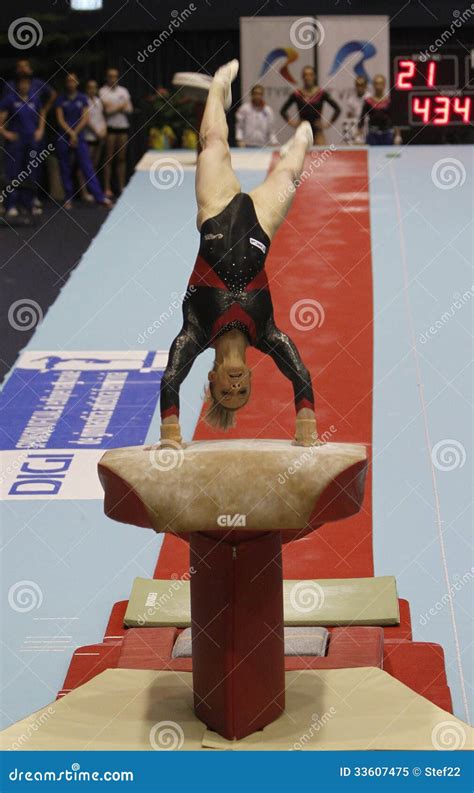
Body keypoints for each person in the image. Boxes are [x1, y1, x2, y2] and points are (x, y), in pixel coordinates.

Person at [158, 60, 320, 449]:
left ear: (211, 380)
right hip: (260, 224)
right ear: (249, 379)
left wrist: (170, 436)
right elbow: (300, 376)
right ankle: (302, 140)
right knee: (289, 173)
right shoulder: (265, 334)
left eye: (225, 393)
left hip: (214, 210)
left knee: (213, 141)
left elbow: (169, 380)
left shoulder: (195, 334)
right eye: (241, 393)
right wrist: (306, 427)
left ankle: (219, 87)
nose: (234, 388)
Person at [54, 73, 111, 210]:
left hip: (79, 136)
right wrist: (70, 133)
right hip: (65, 136)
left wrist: (75, 133)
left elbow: (85, 118)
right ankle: (68, 198)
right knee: (65, 168)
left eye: (73, 81)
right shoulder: (61, 99)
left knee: (87, 167)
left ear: (77, 83)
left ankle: (99, 197)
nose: (71, 84)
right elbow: (60, 119)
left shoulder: (82, 98)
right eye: (68, 81)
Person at [0, 75, 45, 218]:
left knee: (31, 172)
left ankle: (29, 205)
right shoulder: (10, 100)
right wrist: (5, 133)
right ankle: (11, 205)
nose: (24, 86)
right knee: (13, 173)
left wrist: (40, 130)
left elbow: (42, 114)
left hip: (31, 140)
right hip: (16, 142)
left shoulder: (34, 98)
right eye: (21, 83)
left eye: (26, 83)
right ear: (17, 85)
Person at [280, 66, 340, 146]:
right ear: (302, 77)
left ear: (314, 76)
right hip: (302, 130)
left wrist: (327, 124)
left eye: (310, 75)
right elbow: (283, 111)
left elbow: (337, 109)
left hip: (317, 130)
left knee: (320, 156)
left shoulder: (321, 93)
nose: (308, 77)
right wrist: (293, 123)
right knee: (301, 155)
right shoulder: (297, 94)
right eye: (305, 75)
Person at [99, 68, 133, 198]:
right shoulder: (103, 91)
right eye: (110, 76)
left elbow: (129, 109)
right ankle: (107, 188)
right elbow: (107, 111)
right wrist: (121, 105)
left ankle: (121, 186)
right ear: (107, 78)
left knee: (121, 158)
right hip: (110, 129)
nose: (113, 79)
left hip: (123, 128)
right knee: (108, 158)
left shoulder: (123, 91)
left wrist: (115, 107)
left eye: (115, 76)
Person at [80, 79, 107, 202]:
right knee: (85, 166)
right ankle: (84, 192)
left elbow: (102, 117)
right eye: (90, 87)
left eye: (95, 87)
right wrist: (96, 131)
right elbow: (85, 119)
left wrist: (103, 130)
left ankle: (93, 191)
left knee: (94, 165)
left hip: (99, 136)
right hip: (88, 136)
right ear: (86, 89)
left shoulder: (98, 101)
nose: (93, 90)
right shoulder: (84, 101)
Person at [357, 74, 401, 145]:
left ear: (384, 85)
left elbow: (395, 119)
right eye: (376, 83)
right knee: (373, 155)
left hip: (387, 134)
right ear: (373, 85)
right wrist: (359, 133)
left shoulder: (389, 101)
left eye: (380, 83)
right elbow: (362, 118)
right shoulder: (368, 101)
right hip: (372, 135)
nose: (378, 86)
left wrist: (398, 135)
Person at [342, 76, 370, 145]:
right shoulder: (351, 100)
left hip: (368, 125)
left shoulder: (370, 98)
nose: (359, 87)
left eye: (361, 85)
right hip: (355, 125)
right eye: (357, 85)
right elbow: (349, 117)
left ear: (365, 86)